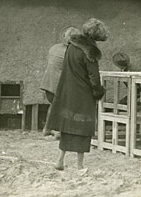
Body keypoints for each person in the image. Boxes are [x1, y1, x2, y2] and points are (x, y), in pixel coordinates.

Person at [46, 18, 108, 170]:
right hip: (83, 94)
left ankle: (60, 160)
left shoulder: (71, 46)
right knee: (83, 128)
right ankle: (79, 165)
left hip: (68, 92)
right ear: (96, 36)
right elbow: (94, 76)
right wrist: (98, 91)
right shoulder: (91, 51)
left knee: (67, 126)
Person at [40, 25, 81, 137]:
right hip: (59, 85)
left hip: (48, 83)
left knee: (53, 105)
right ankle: (58, 130)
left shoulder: (54, 48)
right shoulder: (72, 52)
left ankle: (47, 129)